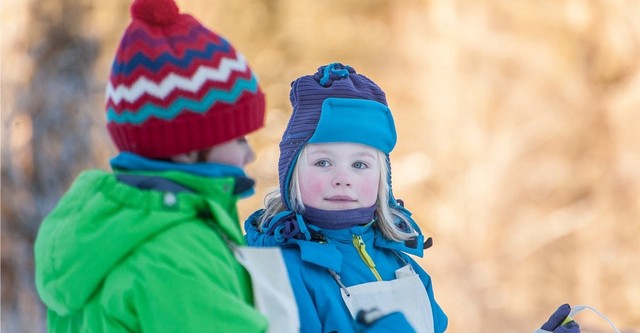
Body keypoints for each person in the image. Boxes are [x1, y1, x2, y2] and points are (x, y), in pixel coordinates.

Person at [245, 63, 582, 333]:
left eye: (360, 164)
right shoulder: (279, 268)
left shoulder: (404, 266)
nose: (342, 178)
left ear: (382, 181)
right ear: (290, 175)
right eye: (323, 162)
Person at [34, 0, 279, 331]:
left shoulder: (108, 227)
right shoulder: (175, 251)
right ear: (186, 151)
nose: (249, 155)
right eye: (238, 139)